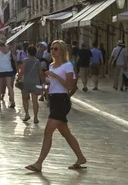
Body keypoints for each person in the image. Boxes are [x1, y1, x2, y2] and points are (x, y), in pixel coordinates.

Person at [25, 40, 86, 173]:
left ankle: (39, 163)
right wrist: (45, 88)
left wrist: (55, 76)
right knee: (66, 133)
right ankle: (80, 157)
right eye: (52, 48)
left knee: (48, 132)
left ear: (62, 51)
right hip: (53, 100)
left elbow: (70, 86)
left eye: (56, 49)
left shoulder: (67, 66)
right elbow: (51, 84)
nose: (53, 51)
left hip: (62, 101)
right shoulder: (52, 65)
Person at [18, 45, 44, 123]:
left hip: (26, 82)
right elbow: (40, 73)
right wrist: (43, 82)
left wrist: (18, 79)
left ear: (28, 52)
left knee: (25, 99)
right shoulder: (37, 61)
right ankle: (35, 117)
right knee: (35, 101)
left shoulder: (25, 60)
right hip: (35, 82)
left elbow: (22, 72)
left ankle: (27, 114)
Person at [0, 40, 16, 109]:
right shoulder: (9, 48)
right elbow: (14, 58)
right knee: (9, 86)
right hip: (9, 68)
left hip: (0, 69)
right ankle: (13, 101)